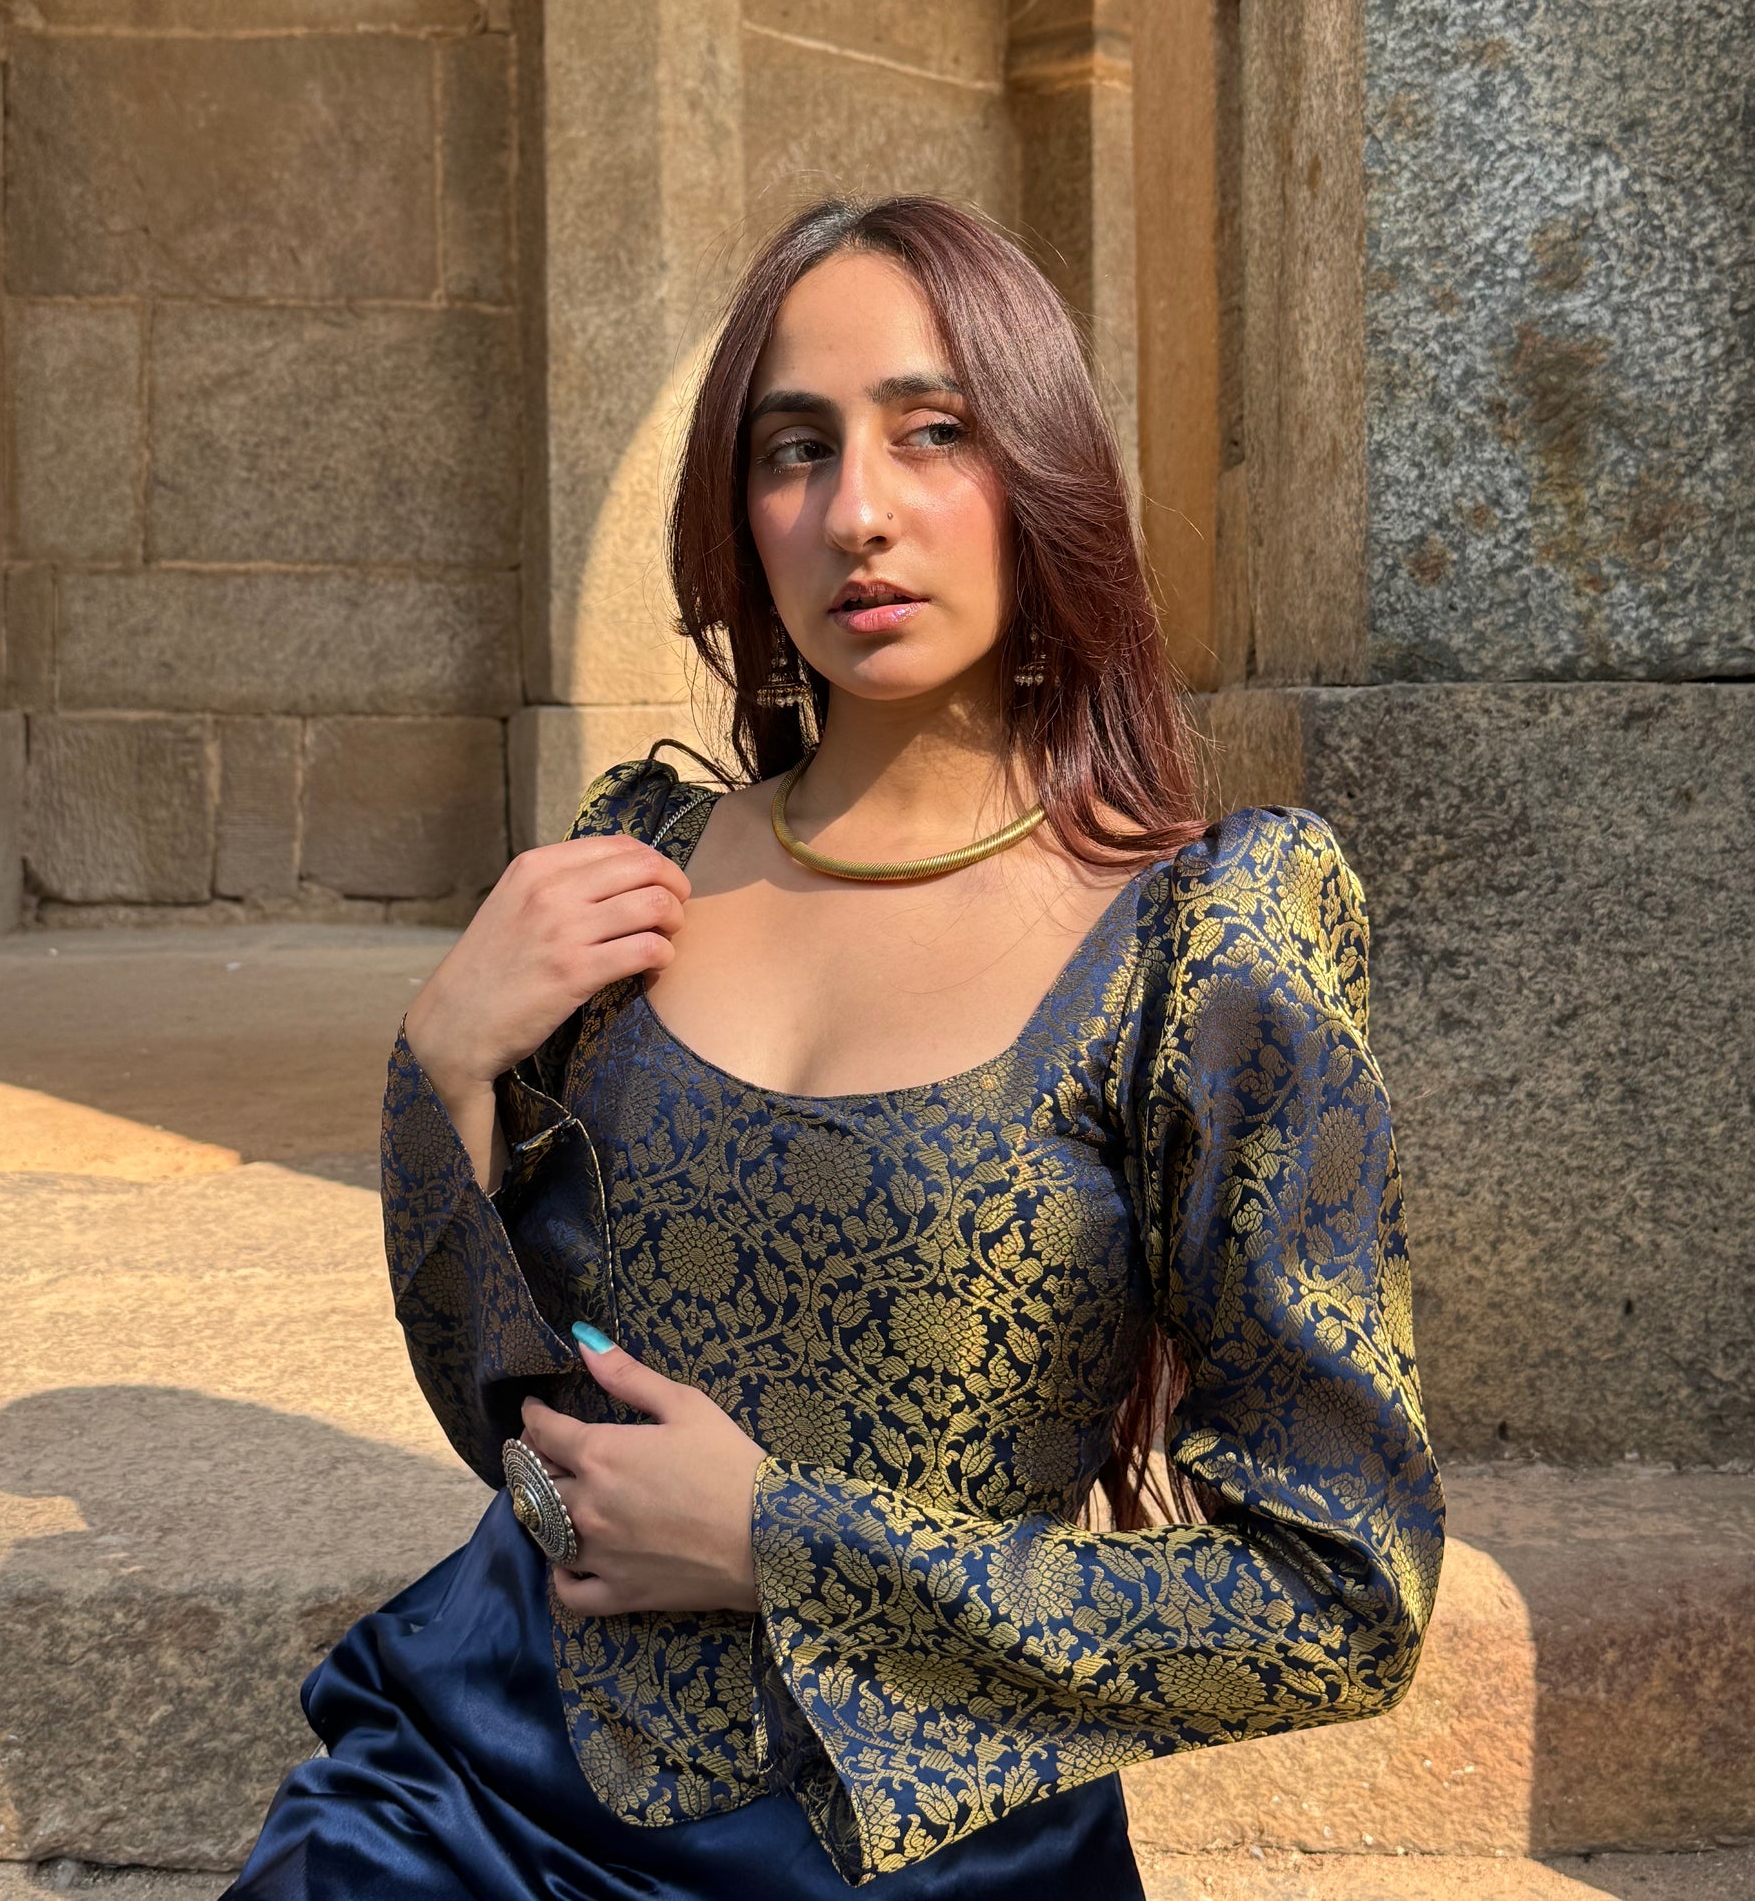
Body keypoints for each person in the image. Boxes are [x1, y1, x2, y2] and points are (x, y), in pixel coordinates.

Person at [226, 194, 1443, 1898]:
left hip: (902, 1858)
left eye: (932, 432)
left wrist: (778, 1542)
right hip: (468, 1788)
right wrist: (440, 1072)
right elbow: (518, 1426)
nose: (856, 512)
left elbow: (1339, 1600)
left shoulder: (1200, 943)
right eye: (793, 450)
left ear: (1041, 473)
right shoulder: (628, 869)